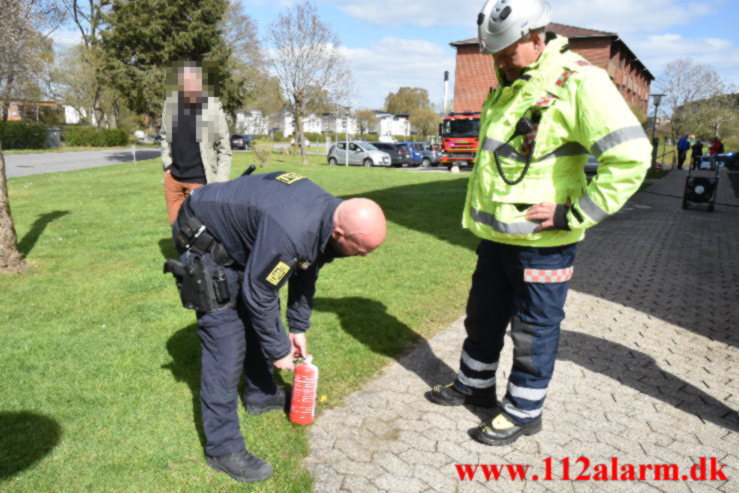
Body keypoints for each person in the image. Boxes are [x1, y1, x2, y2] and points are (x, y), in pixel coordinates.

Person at [429, 0, 651, 446]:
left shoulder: (578, 82)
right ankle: (475, 385)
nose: (499, 64)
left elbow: (630, 156)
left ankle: (524, 411)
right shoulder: (511, 83)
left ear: (536, 38)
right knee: (483, 317)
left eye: (506, 53)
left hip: (544, 242)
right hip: (496, 238)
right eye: (493, 54)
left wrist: (574, 213)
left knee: (533, 329)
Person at [167, 171, 386, 482]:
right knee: (225, 341)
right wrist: (280, 350)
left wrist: (297, 326)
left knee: (253, 316)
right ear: (340, 233)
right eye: (361, 250)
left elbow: (307, 267)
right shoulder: (294, 228)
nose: (363, 256)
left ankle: (261, 395)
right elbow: (260, 292)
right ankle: (222, 448)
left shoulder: (326, 214)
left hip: (240, 236)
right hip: (203, 233)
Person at [160, 62, 232, 225]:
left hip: (200, 182)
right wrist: (167, 166)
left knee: (199, 230)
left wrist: (219, 183)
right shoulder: (171, 105)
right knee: (176, 228)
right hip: (174, 180)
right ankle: (181, 251)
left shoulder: (212, 107)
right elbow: (164, 137)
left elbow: (224, 149)